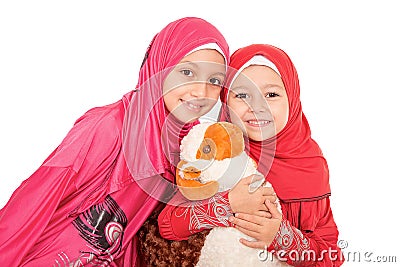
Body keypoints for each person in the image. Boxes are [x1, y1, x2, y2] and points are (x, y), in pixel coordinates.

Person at [0, 17, 229, 266]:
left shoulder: (187, 144)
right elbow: (35, 197)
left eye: (215, 81)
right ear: (160, 65)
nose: (201, 92)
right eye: (187, 72)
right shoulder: (109, 126)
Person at [157, 44, 344, 266]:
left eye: (271, 94)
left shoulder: (310, 166)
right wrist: (229, 204)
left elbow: (331, 255)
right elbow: (168, 225)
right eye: (242, 95)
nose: (256, 106)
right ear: (226, 101)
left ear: (292, 100)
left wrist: (283, 238)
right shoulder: (217, 153)